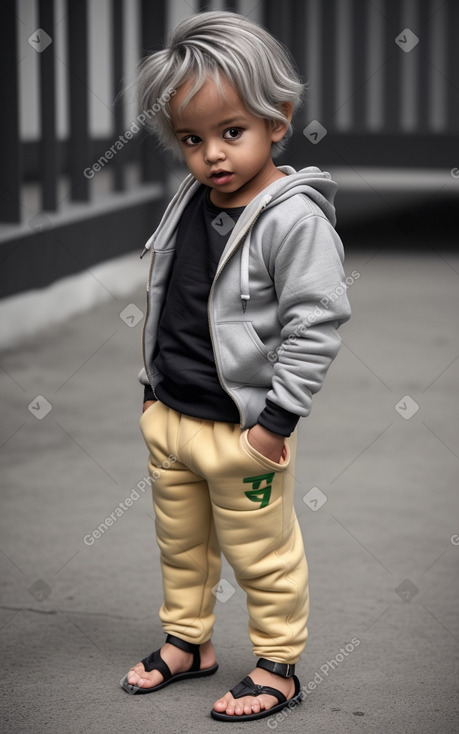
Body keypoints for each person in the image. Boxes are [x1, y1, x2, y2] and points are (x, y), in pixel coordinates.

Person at [120, 10, 351, 722]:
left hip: (242, 430)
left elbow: (317, 323)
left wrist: (274, 421)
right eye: (191, 139)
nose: (212, 155)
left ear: (277, 120)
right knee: (181, 545)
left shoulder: (295, 219)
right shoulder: (191, 196)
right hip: (173, 417)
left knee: (263, 556)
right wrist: (153, 399)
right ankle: (188, 643)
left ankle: (278, 667)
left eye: (231, 133)